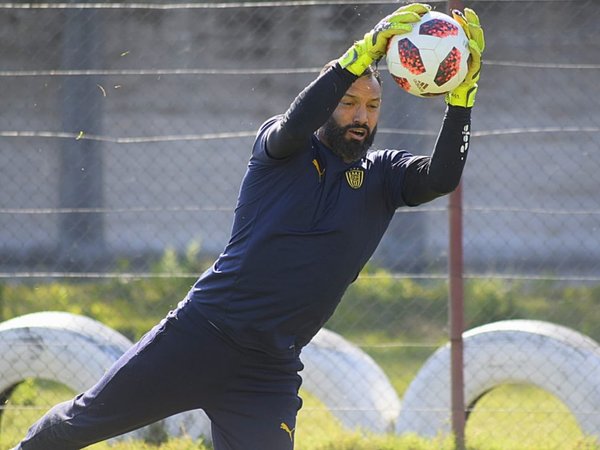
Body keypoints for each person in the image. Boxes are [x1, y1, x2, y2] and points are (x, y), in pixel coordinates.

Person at [13, 3, 485, 449]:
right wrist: (359, 53)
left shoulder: (384, 175)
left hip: (269, 369)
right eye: (347, 102)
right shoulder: (283, 150)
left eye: (373, 106)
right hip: (200, 336)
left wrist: (461, 100)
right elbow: (297, 124)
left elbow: (441, 178)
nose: (361, 117)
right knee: (82, 423)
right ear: (327, 104)